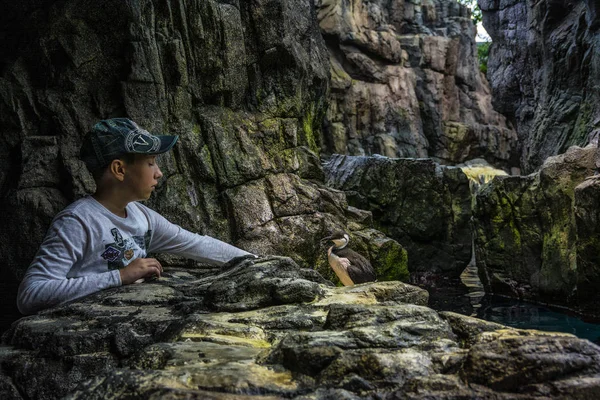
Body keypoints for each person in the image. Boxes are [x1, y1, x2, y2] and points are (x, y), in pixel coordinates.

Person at [17, 118, 255, 315]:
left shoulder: (141, 215)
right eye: (150, 163)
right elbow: (30, 294)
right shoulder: (78, 222)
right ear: (119, 170)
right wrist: (120, 276)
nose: (159, 173)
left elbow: (196, 244)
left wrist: (256, 262)